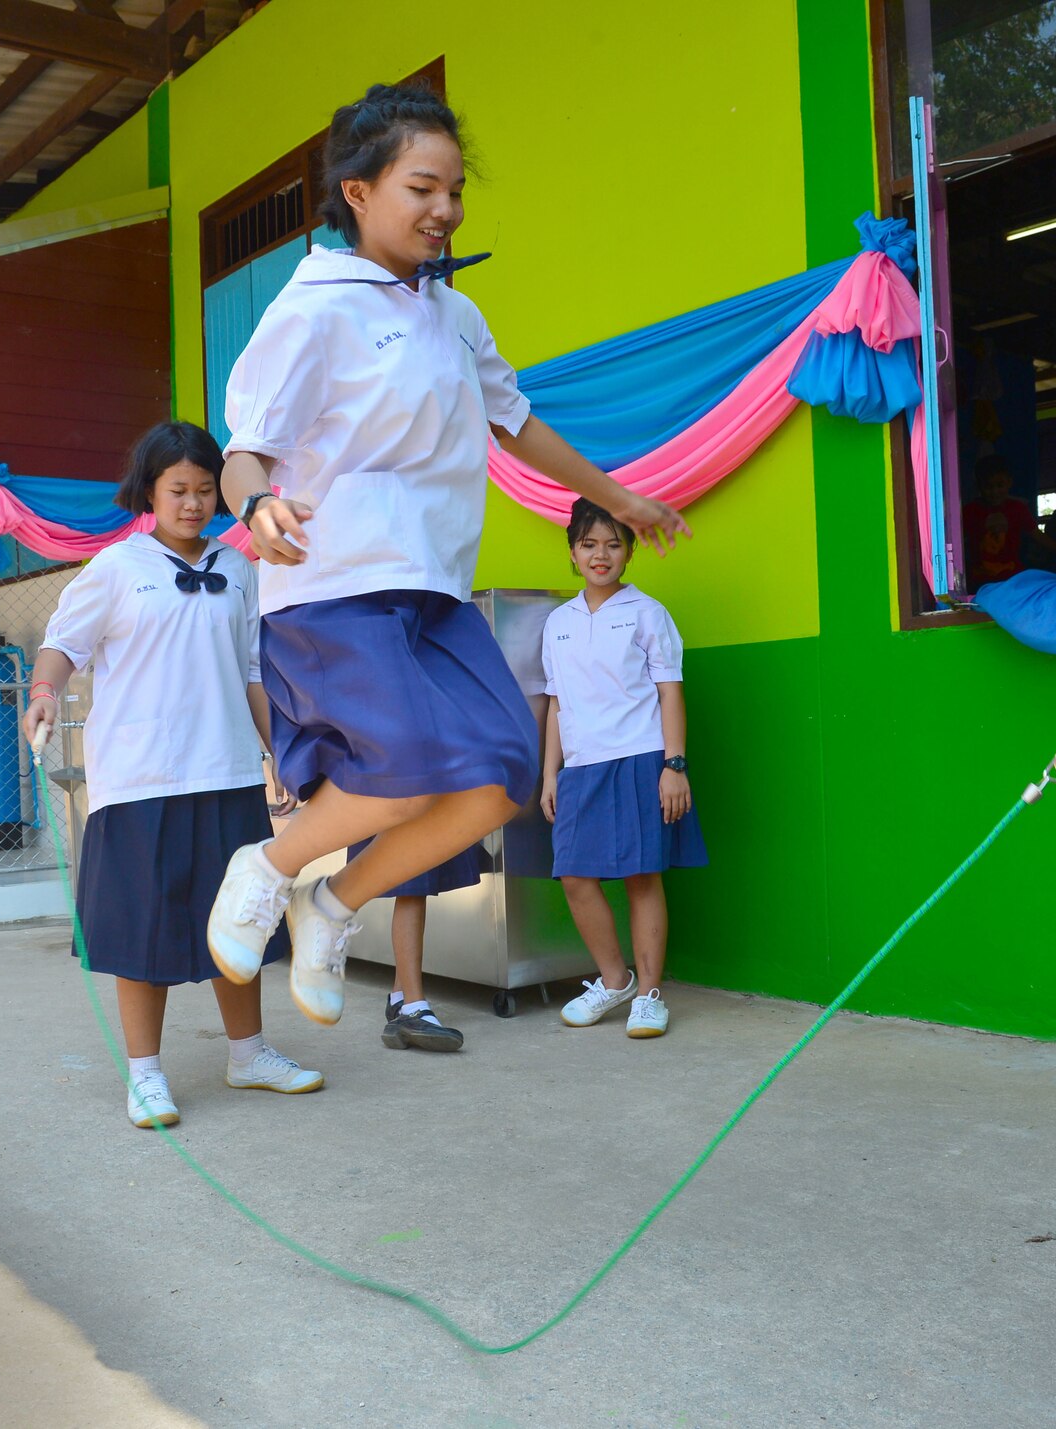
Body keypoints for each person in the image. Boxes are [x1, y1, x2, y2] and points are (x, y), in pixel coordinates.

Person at [204, 82, 689, 1030]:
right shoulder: (315, 306)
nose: (446, 210)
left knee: (505, 775)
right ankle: (267, 867)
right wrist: (257, 503)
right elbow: (243, 449)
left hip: (431, 590)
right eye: (423, 187)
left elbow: (518, 423)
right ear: (358, 192)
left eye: (456, 191)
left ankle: (332, 904)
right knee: (405, 765)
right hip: (336, 581)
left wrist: (620, 495)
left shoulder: (455, 318)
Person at [24, 421, 323, 1130]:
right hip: (141, 779)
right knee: (143, 930)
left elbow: (253, 670)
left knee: (237, 919)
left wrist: (278, 747)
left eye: (204, 488)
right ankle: (146, 1075)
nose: (193, 503)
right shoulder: (117, 568)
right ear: (150, 492)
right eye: (177, 489)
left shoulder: (241, 567)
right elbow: (63, 644)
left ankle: (248, 1052)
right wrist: (43, 693)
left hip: (223, 771)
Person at [539, 499, 706, 1037]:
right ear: (572, 552)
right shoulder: (556, 623)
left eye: (613, 543)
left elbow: (670, 692)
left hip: (639, 758)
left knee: (640, 876)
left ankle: (651, 996)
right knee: (574, 876)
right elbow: (556, 704)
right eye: (589, 544)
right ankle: (615, 980)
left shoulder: (647, 613)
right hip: (581, 767)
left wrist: (673, 765)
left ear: (630, 551)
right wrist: (550, 775)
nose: (601, 555)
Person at [345, 838, 481, 1051]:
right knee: (413, 880)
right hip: (403, 806)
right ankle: (413, 1007)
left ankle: (400, 997)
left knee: (417, 882)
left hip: (406, 805)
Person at [962, 453, 1056, 587]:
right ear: (979, 487)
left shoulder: (1017, 509)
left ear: (1009, 482)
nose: (994, 491)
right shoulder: (970, 511)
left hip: (1012, 581)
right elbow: (956, 543)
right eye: (988, 487)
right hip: (979, 583)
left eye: (1000, 485)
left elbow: (1037, 535)